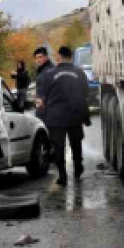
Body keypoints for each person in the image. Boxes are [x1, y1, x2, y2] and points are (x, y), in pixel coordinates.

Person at [38, 46, 91, 184]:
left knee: (58, 146)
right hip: (74, 115)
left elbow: (42, 99)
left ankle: (62, 175)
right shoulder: (80, 73)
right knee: (76, 143)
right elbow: (86, 94)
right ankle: (78, 169)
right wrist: (85, 116)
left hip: (55, 117)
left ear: (58, 56)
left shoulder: (49, 74)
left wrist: (42, 114)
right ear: (71, 57)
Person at [32, 47, 54, 121]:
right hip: (41, 109)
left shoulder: (50, 70)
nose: (38, 60)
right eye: (36, 58)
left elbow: (54, 89)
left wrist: (43, 100)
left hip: (49, 110)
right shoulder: (41, 70)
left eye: (40, 57)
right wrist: (36, 94)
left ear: (46, 57)